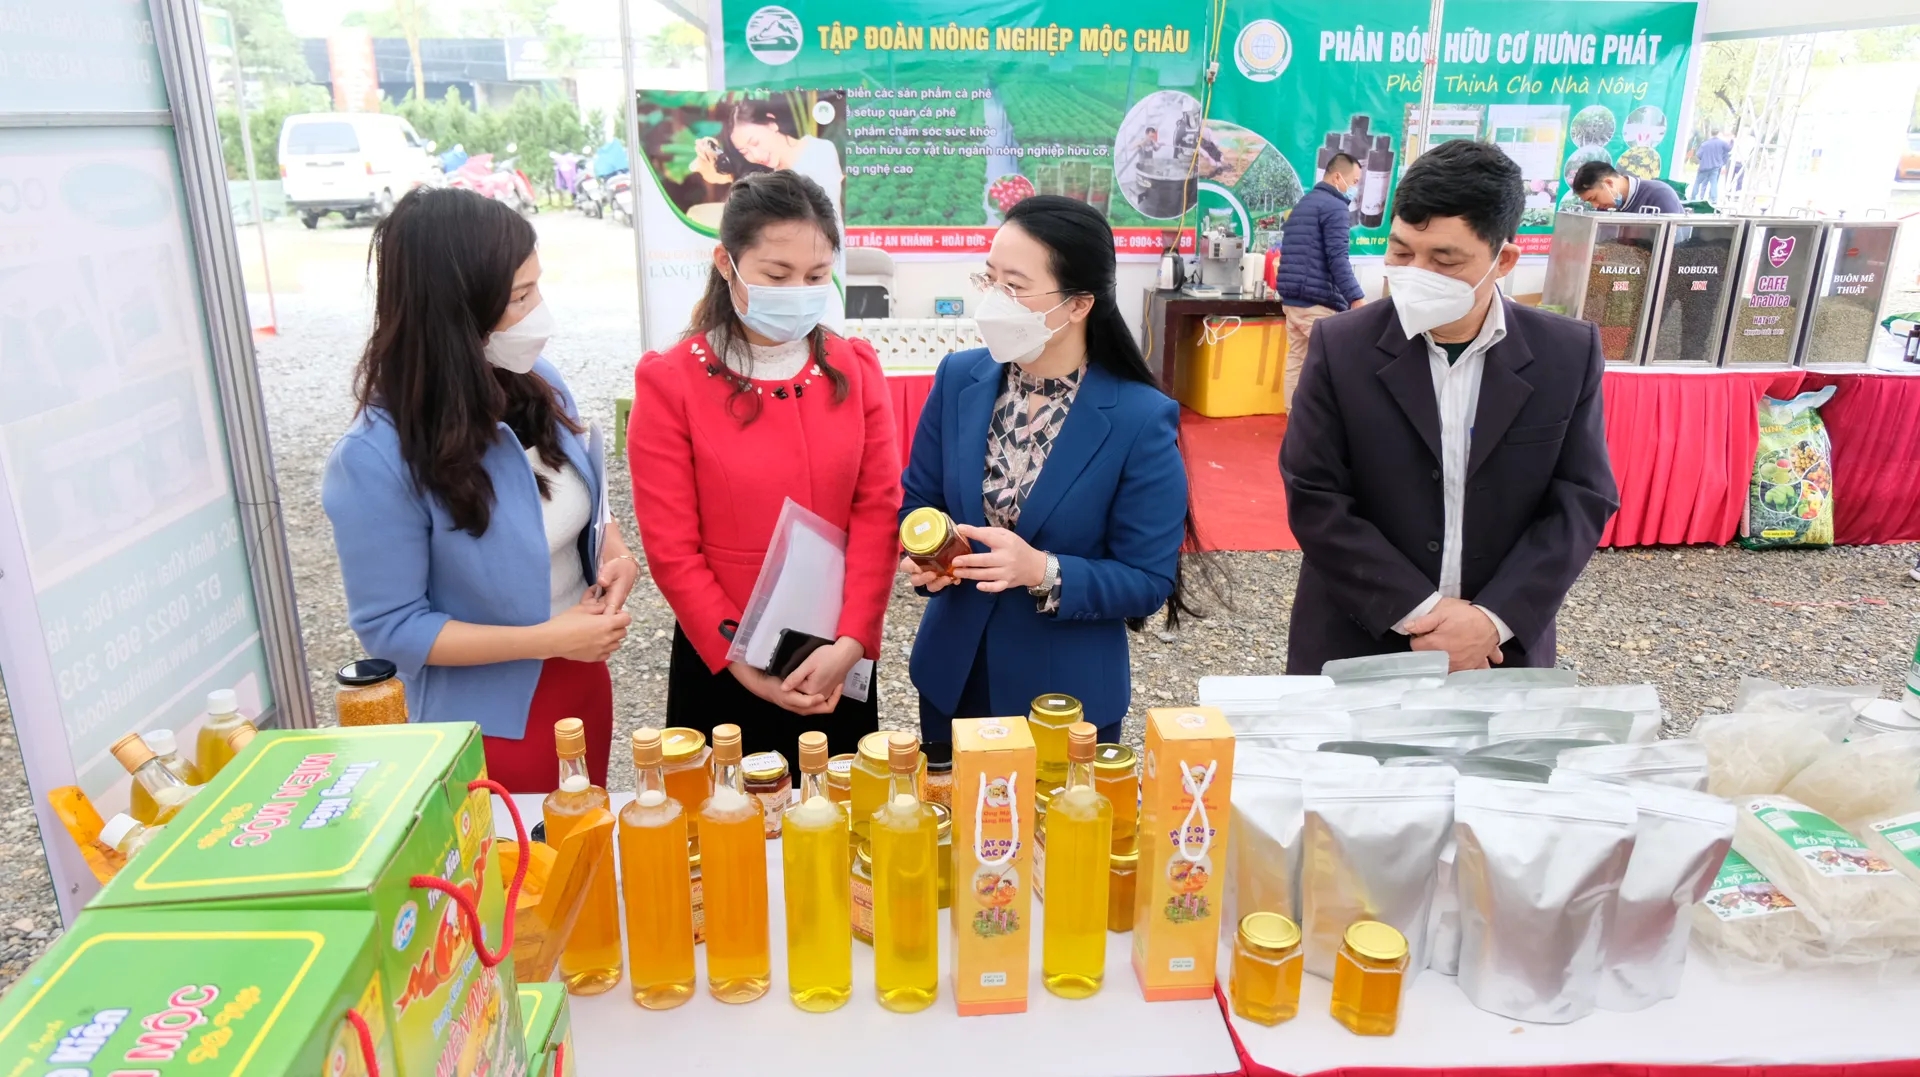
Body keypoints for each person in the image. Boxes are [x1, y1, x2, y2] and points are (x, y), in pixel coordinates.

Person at [323, 188, 634, 792]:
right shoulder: (375, 456)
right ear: (454, 312)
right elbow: (393, 627)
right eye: (519, 298)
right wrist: (548, 640)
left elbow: (575, 505)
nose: (541, 313)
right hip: (489, 722)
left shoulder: (535, 380)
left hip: (581, 681)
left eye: (537, 288)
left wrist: (615, 553)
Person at [1280, 140, 1619, 674]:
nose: (1416, 273)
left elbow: (1581, 496)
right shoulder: (1342, 347)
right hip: (1362, 638)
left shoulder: (1565, 354)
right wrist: (1423, 613)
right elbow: (1314, 494)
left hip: (1498, 651)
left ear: (1504, 260)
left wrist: (1492, 620)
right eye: (1401, 253)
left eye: (1444, 260)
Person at [901, 196, 1195, 745]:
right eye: (989, 279)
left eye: (1014, 286)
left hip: (1063, 699)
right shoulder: (959, 378)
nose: (993, 300)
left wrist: (1042, 570)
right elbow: (918, 500)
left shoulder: (1138, 417)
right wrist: (929, 557)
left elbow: (1147, 580)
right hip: (953, 675)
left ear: (1078, 304)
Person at [628, 170, 901, 760]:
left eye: (816, 276)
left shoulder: (854, 368)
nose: (798, 291)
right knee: (730, 808)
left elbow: (878, 511)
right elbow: (672, 549)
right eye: (777, 275)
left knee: (838, 804)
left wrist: (854, 640)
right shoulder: (671, 381)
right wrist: (740, 659)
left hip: (835, 655)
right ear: (726, 263)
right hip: (725, 656)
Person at [1277, 152, 1367, 408]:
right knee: (1341, 362)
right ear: (1338, 177)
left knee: (1297, 361)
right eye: (1354, 181)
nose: (1355, 188)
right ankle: (1334, 423)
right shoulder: (1335, 207)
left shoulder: (1304, 204)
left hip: (1293, 301)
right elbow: (1338, 258)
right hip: (1317, 302)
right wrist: (1356, 297)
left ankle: (1294, 420)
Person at [1571, 160, 1683, 214]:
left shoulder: (1659, 195)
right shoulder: (1605, 208)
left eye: (1594, 198)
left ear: (1609, 183)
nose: (1595, 205)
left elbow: (1673, 245)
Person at [1693, 130, 1732, 204]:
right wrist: (1732, 141)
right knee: (1714, 183)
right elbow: (1729, 149)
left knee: (1697, 182)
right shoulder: (1721, 143)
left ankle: (1694, 196)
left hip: (1704, 167)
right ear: (1718, 134)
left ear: (1711, 134)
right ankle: (1714, 199)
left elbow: (1698, 155)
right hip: (1715, 167)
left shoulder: (1705, 144)